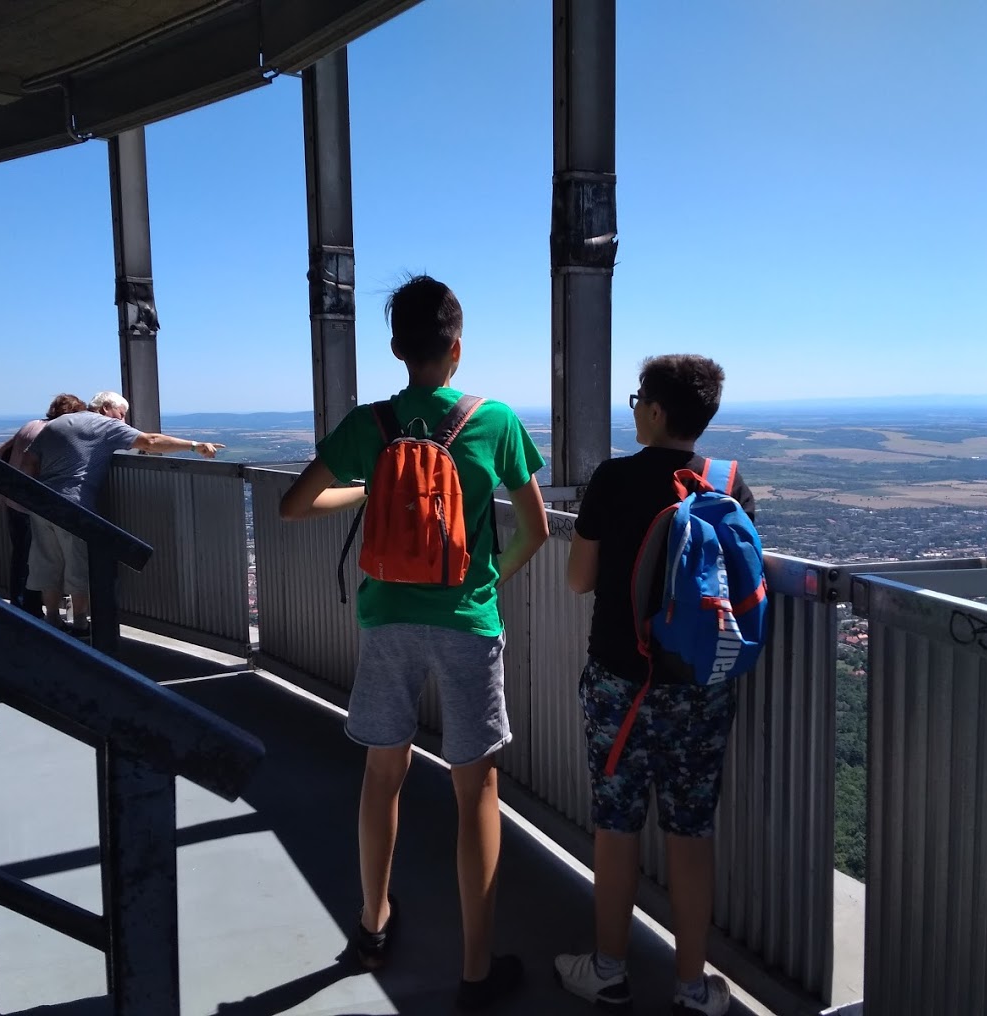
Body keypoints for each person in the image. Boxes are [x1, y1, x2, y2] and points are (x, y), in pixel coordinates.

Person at [279, 275, 550, 1011]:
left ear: (397, 348)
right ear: (457, 349)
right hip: (467, 621)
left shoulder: (370, 424)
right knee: (476, 791)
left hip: (385, 619)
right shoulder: (495, 421)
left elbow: (295, 504)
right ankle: (475, 969)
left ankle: (371, 927)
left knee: (382, 776)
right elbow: (535, 529)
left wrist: (372, 490)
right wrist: (487, 581)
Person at [554, 355, 756, 1016]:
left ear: (657, 411)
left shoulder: (613, 478)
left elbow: (578, 580)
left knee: (616, 826)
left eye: (638, 398)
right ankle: (692, 985)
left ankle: (607, 971)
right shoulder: (728, 482)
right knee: (690, 832)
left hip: (620, 683)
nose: (634, 407)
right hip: (701, 686)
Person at [22, 390, 223, 634]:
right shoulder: (105, 425)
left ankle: (52, 619)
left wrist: (32, 494)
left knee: (47, 562)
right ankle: (81, 623)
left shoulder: (58, 423)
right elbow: (150, 441)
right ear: (106, 408)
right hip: (74, 505)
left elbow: (29, 460)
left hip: (42, 501)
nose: (123, 420)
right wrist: (194, 446)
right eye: (121, 413)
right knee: (78, 564)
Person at [0, 394, 87, 615]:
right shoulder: (53, 432)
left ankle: (20, 608)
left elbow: (0, 452)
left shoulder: (31, 425)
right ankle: (30, 613)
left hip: (12, 500)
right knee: (35, 561)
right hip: (32, 505)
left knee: (21, 557)